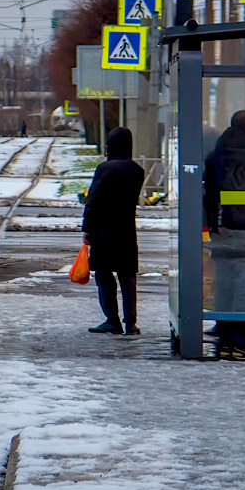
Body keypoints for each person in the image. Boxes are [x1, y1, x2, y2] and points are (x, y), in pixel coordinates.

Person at [204, 110, 245, 358]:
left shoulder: (215, 155)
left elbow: (208, 194)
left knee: (226, 286)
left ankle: (226, 338)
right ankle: (242, 344)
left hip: (222, 231)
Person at [82, 127, 145, 335]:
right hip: (126, 230)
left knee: (104, 276)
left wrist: (87, 229)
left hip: (103, 231)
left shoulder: (105, 168)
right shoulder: (137, 170)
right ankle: (131, 322)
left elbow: (93, 200)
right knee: (127, 277)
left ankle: (112, 319)